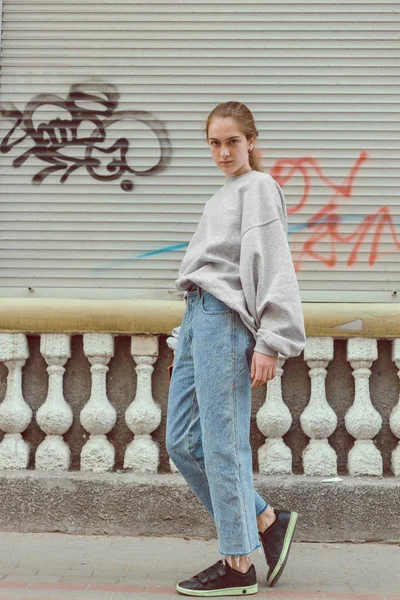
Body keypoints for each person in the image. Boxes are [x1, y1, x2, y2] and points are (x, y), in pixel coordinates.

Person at [166, 101, 306, 597]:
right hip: (197, 321)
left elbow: (273, 265)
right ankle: (265, 518)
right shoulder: (221, 196)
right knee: (181, 442)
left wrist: (271, 340)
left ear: (251, 141)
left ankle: (238, 565)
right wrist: (184, 340)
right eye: (214, 142)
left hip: (225, 323)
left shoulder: (260, 188)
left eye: (232, 141)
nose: (223, 151)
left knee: (223, 445)